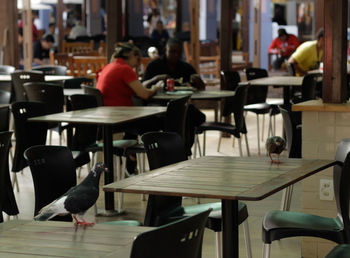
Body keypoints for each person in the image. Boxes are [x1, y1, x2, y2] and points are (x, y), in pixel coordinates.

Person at [97, 42, 162, 175]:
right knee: (156, 123)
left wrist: (136, 69)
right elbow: (144, 94)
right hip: (119, 117)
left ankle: (131, 163)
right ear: (132, 55)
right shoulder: (124, 69)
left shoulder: (110, 66)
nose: (138, 62)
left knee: (143, 123)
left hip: (107, 117)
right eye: (137, 59)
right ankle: (158, 164)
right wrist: (156, 88)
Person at [142, 37, 206, 156]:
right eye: (172, 52)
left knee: (188, 114)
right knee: (188, 115)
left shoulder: (185, 67)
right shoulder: (154, 65)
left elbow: (202, 87)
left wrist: (197, 81)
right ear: (165, 50)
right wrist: (156, 79)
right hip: (157, 107)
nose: (175, 55)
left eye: (178, 52)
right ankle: (179, 150)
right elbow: (143, 85)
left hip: (180, 105)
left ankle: (182, 149)